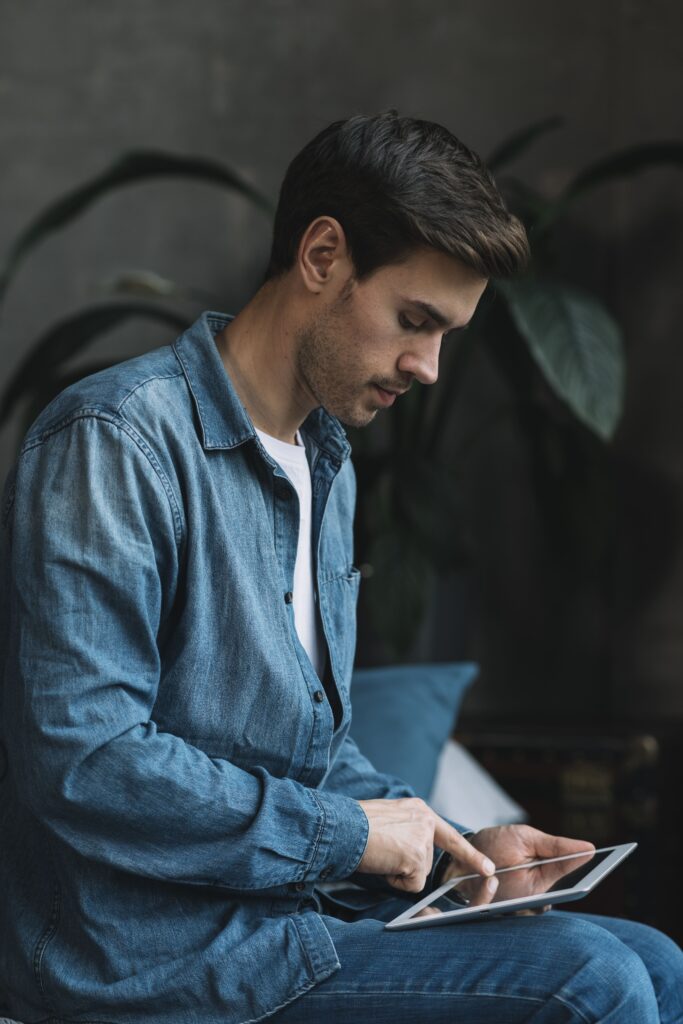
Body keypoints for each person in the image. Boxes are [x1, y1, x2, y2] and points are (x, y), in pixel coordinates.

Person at [0, 111, 681, 1024]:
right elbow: (84, 759)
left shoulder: (327, 460)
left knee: (657, 960)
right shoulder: (113, 441)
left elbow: (302, 757)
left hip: (284, 922)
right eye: (414, 320)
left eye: (447, 335)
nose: (429, 368)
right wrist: (350, 837)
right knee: (593, 981)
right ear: (322, 256)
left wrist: (452, 849)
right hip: (145, 961)